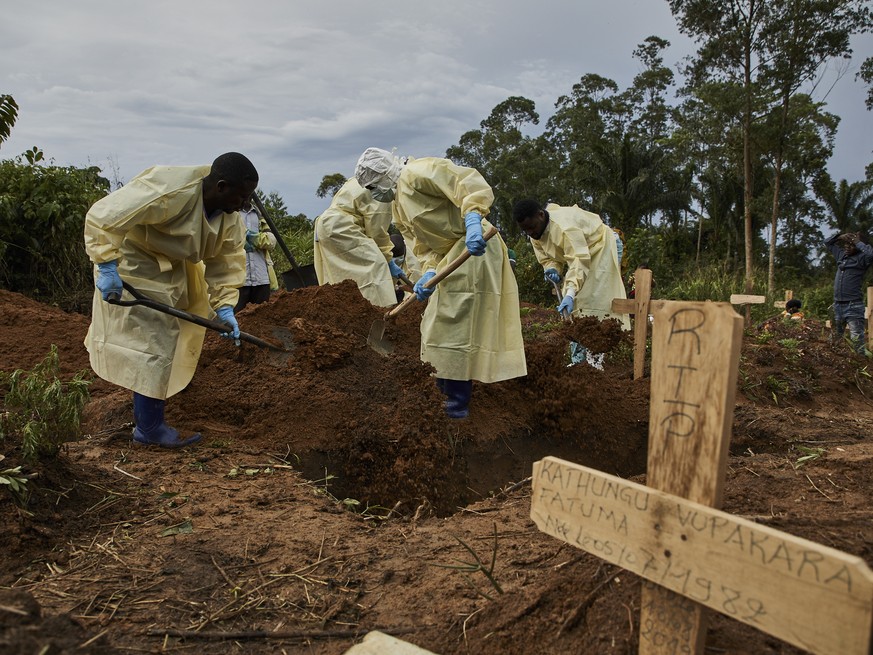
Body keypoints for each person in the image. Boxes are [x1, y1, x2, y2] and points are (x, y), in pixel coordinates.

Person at [84, 152, 258, 448]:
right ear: (221, 186)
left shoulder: (230, 219)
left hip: (175, 269)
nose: (244, 205)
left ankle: (150, 414)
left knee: (173, 335)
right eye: (241, 196)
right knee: (155, 340)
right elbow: (105, 216)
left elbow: (226, 260)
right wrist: (107, 264)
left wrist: (225, 304)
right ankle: (149, 429)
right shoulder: (168, 189)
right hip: (135, 260)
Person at [355, 147, 527, 418]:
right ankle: (442, 389)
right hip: (451, 257)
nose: (374, 194)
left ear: (385, 173)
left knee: (456, 321)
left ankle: (457, 400)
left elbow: (465, 182)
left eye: (373, 186)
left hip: (474, 247)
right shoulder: (398, 206)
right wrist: (428, 272)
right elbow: (423, 248)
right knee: (436, 322)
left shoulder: (417, 173)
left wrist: (472, 220)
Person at [513, 199, 630, 367]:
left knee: (597, 299)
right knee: (576, 304)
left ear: (540, 215)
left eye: (532, 227)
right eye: (526, 230)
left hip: (601, 246)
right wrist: (552, 269)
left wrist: (569, 293)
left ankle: (596, 357)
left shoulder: (564, 227)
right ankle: (579, 361)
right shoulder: (535, 234)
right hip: (582, 255)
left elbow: (578, 260)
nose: (530, 233)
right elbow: (547, 259)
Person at [313, 178, 398, 307]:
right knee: (376, 266)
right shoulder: (383, 191)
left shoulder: (361, 179)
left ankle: (348, 309)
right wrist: (387, 258)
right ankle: (377, 311)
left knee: (341, 276)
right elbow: (376, 231)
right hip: (341, 227)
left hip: (327, 225)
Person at [825, 231, 873, 353]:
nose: (847, 246)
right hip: (838, 305)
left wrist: (857, 242)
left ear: (858, 246)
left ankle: (859, 367)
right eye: (846, 244)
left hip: (853, 306)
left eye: (851, 245)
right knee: (834, 338)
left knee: (857, 340)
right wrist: (840, 237)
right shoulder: (842, 256)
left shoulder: (862, 259)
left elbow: (871, 254)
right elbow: (827, 242)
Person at [235, 198, 277, 312]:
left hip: (261, 278)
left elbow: (272, 241)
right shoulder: (231, 211)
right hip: (238, 279)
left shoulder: (259, 214)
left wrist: (252, 237)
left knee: (261, 318)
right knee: (237, 318)